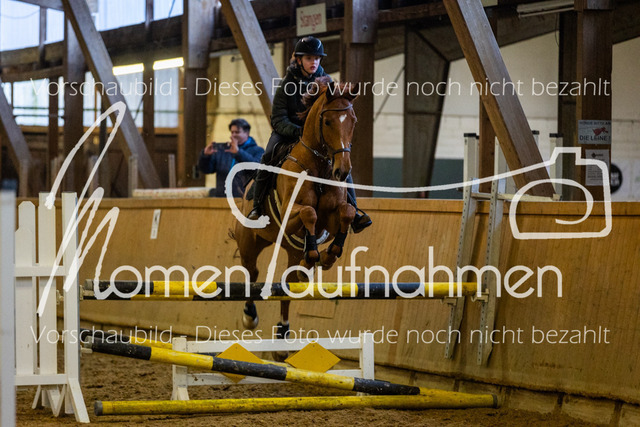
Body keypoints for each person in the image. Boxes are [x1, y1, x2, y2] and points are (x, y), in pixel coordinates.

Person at [247, 36, 371, 233]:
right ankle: (257, 206)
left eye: (317, 58)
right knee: (268, 155)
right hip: (288, 132)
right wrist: (297, 131)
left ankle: (354, 211)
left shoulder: (328, 82)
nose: (314, 62)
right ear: (299, 60)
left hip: (318, 137)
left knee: (341, 162)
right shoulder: (286, 85)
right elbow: (278, 118)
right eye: (309, 58)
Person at [198, 118, 264, 197]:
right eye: (232, 132)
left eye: (237, 132)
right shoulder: (224, 151)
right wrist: (205, 156)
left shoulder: (258, 151)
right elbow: (206, 170)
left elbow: (257, 170)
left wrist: (238, 153)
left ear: (247, 133)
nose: (233, 135)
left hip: (244, 200)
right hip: (222, 198)